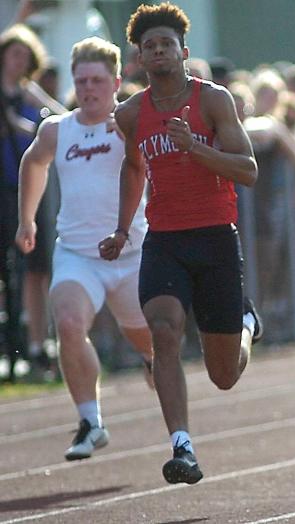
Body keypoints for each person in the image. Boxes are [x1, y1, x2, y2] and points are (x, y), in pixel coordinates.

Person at [98, 2, 262, 485]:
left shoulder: (213, 101)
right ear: (139, 59)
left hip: (214, 239)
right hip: (164, 240)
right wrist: (124, 228)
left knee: (224, 374)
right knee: (164, 331)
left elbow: (248, 170)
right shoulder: (130, 113)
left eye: (166, 43)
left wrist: (195, 147)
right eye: (149, 46)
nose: (159, 51)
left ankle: (247, 323)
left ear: (183, 51)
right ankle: (182, 446)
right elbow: (133, 167)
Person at [16, 36, 154, 461]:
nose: (88, 89)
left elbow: (160, 166)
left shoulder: (134, 123)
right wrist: (27, 219)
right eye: (81, 81)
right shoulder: (58, 129)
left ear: (116, 82)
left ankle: (152, 359)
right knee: (70, 323)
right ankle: (90, 421)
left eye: (96, 80)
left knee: (147, 339)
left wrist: (133, 136)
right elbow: (32, 162)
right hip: (77, 253)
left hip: (132, 255)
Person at [0, 23, 65, 380]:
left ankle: (36, 346)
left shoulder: (27, 92)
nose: (18, 60)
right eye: (13, 53)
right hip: (3, 188)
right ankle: (12, 350)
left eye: (25, 55)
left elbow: (59, 116)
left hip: (26, 188)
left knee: (34, 266)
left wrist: (22, 124)